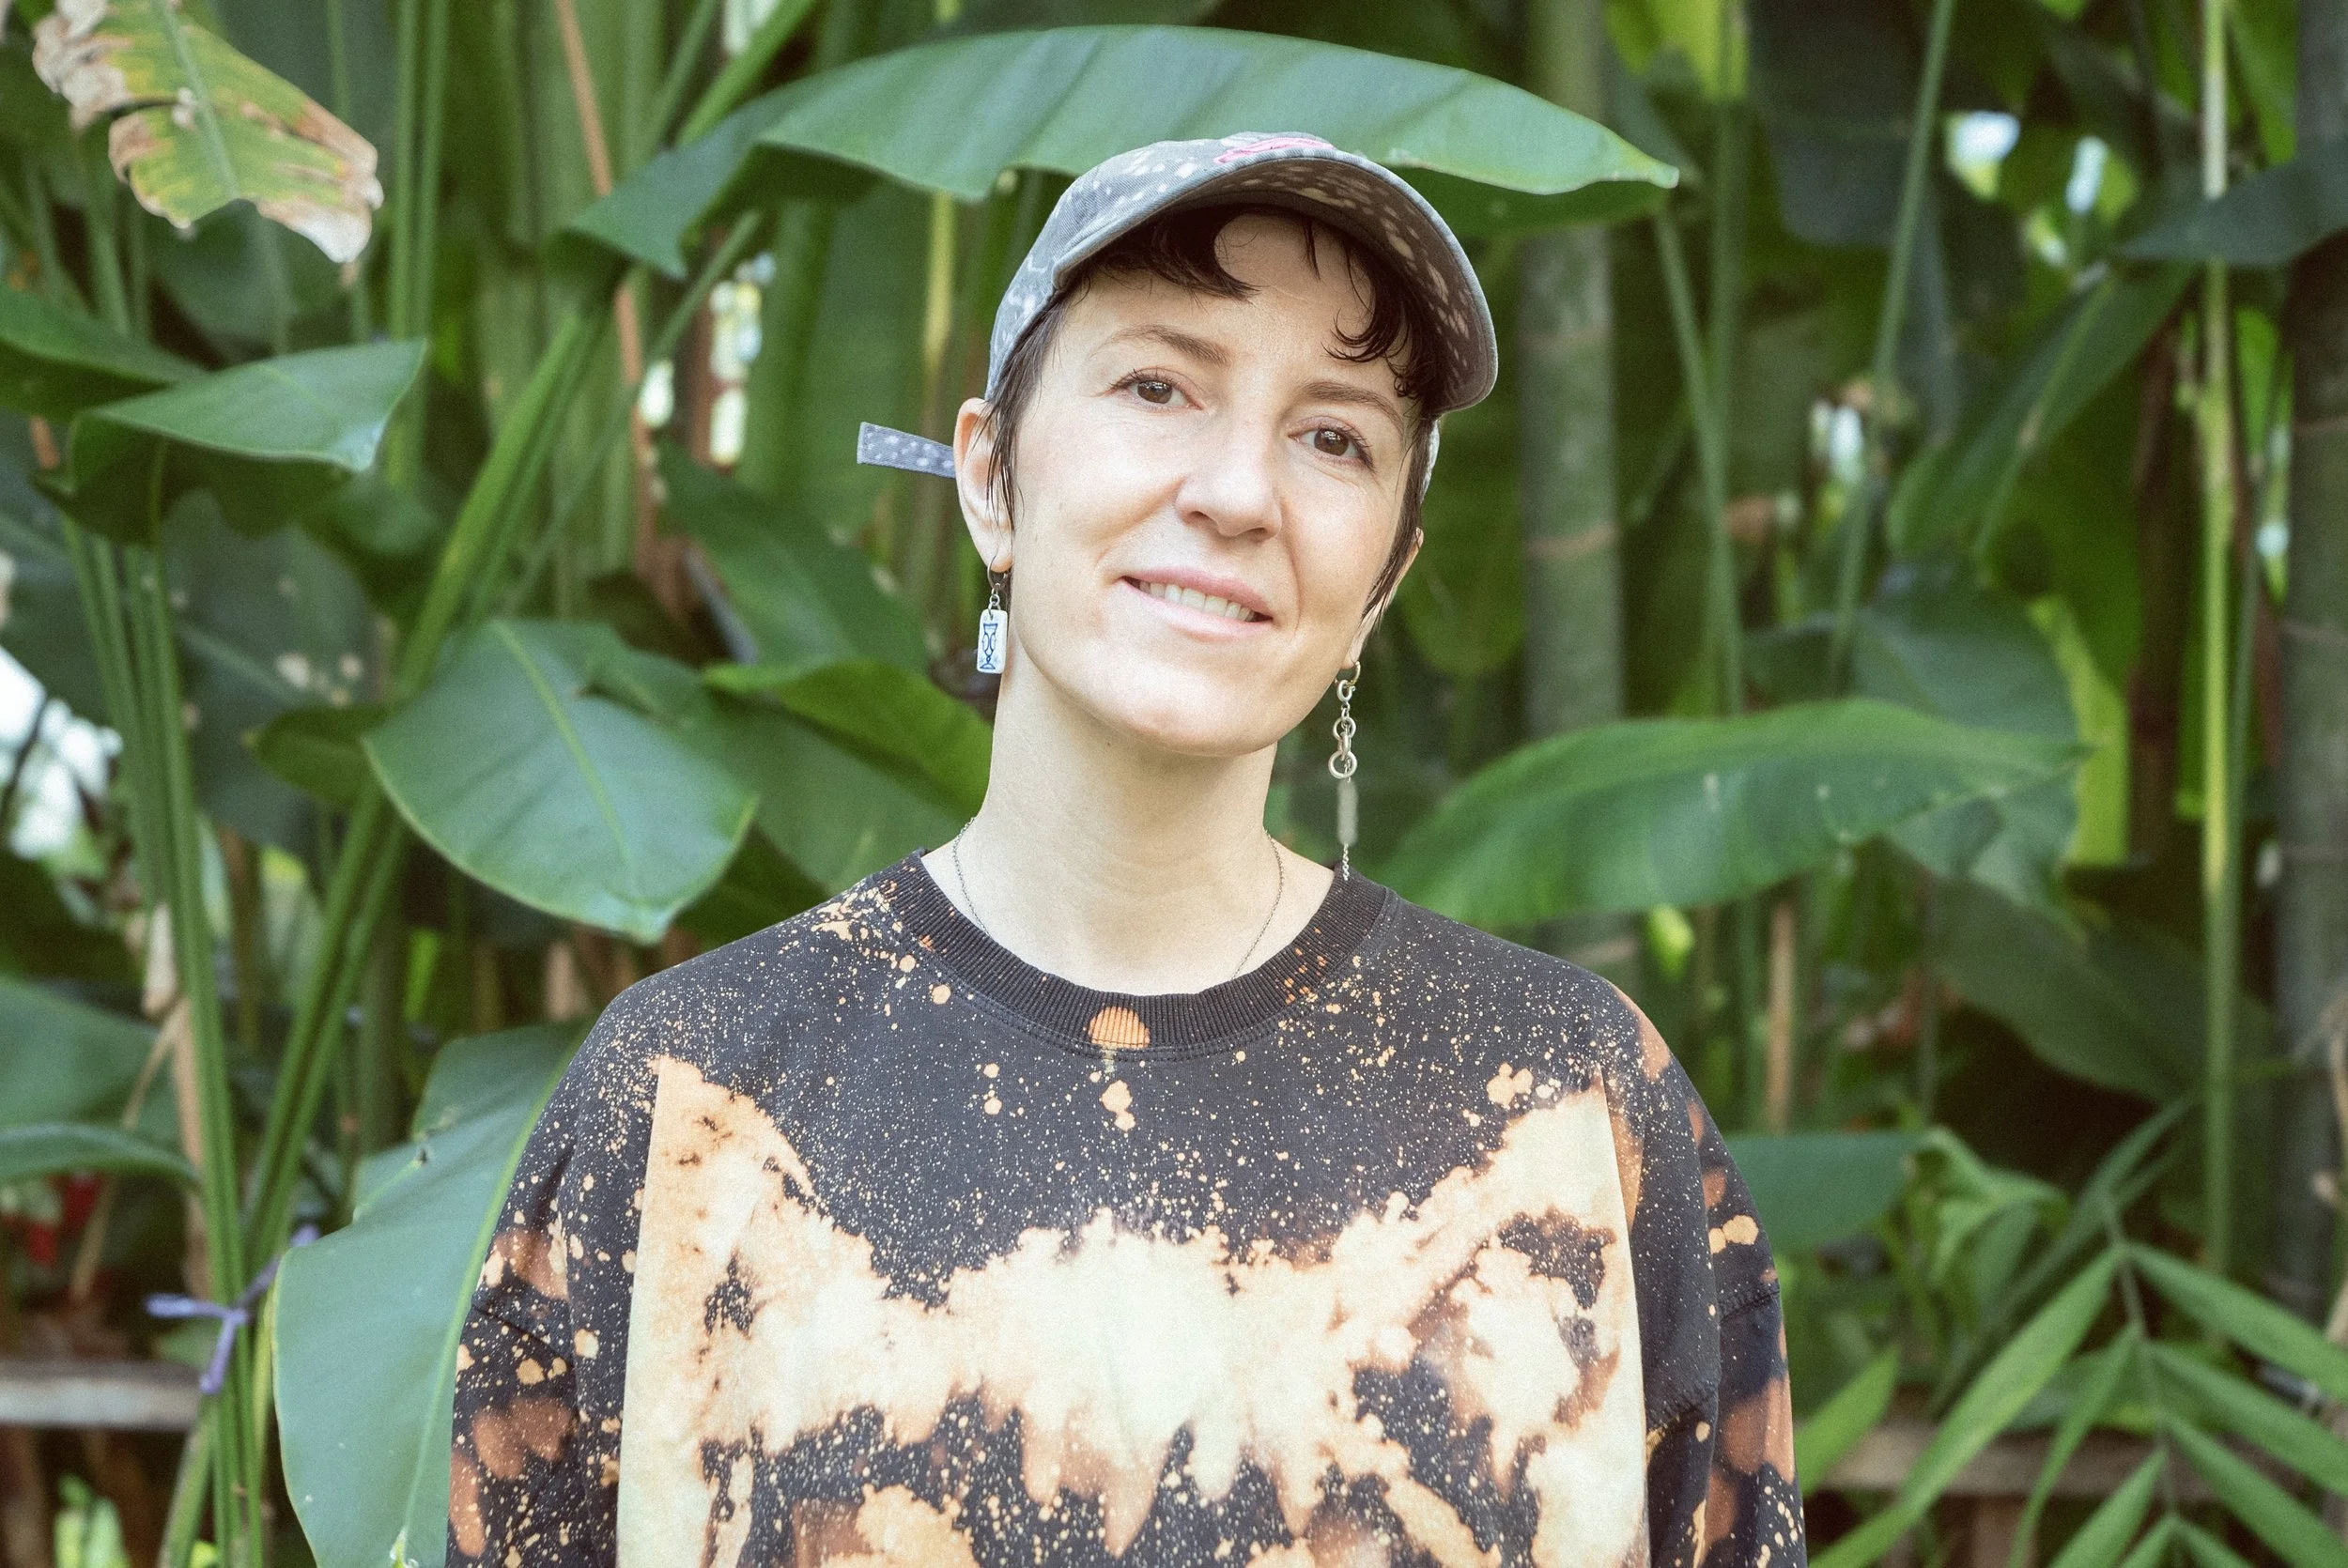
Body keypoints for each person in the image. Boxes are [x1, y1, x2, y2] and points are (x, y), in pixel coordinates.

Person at [449, 132, 1804, 1568]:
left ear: (1387, 573)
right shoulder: (692, 1100)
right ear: (990, 477)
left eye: (1333, 434)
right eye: (1159, 386)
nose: (1238, 492)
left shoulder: (1570, 1108)